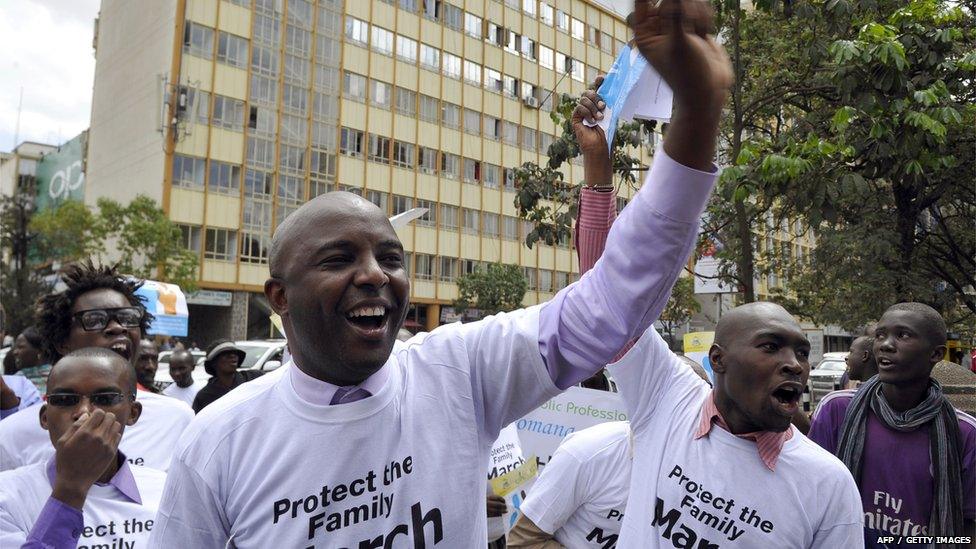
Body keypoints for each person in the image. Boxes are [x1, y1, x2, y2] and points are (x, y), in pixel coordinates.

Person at [148, 1, 725, 543]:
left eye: (391, 258)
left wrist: (697, 110)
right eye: (339, 259)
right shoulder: (216, 443)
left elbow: (612, 303)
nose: (375, 275)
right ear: (279, 295)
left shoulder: (459, 374)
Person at [0, 261, 193, 472]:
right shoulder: (12, 435)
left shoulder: (176, 419)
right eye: (95, 319)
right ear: (63, 342)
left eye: (128, 317)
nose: (118, 327)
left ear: (133, 414)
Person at [809, 303, 976, 547]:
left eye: (903, 335)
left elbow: (968, 527)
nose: (885, 344)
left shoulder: (965, 433)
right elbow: (809, 497)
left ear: (936, 354)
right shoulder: (837, 410)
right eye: (880, 335)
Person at [0, 348, 166, 547]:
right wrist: (70, 489)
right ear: (45, 417)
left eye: (105, 399)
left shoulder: (166, 490)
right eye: (65, 400)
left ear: (133, 413)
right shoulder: (7, 495)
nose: (84, 413)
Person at [191, 340, 260, 413]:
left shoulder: (254, 378)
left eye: (235, 353)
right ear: (213, 363)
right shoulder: (204, 396)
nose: (232, 356)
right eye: (226, 354)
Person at [11, 327, 50, 394]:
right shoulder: (13, 381)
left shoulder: (56, 376)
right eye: (15, 348)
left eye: (21, 347)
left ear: (39, 351)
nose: (15, 352)